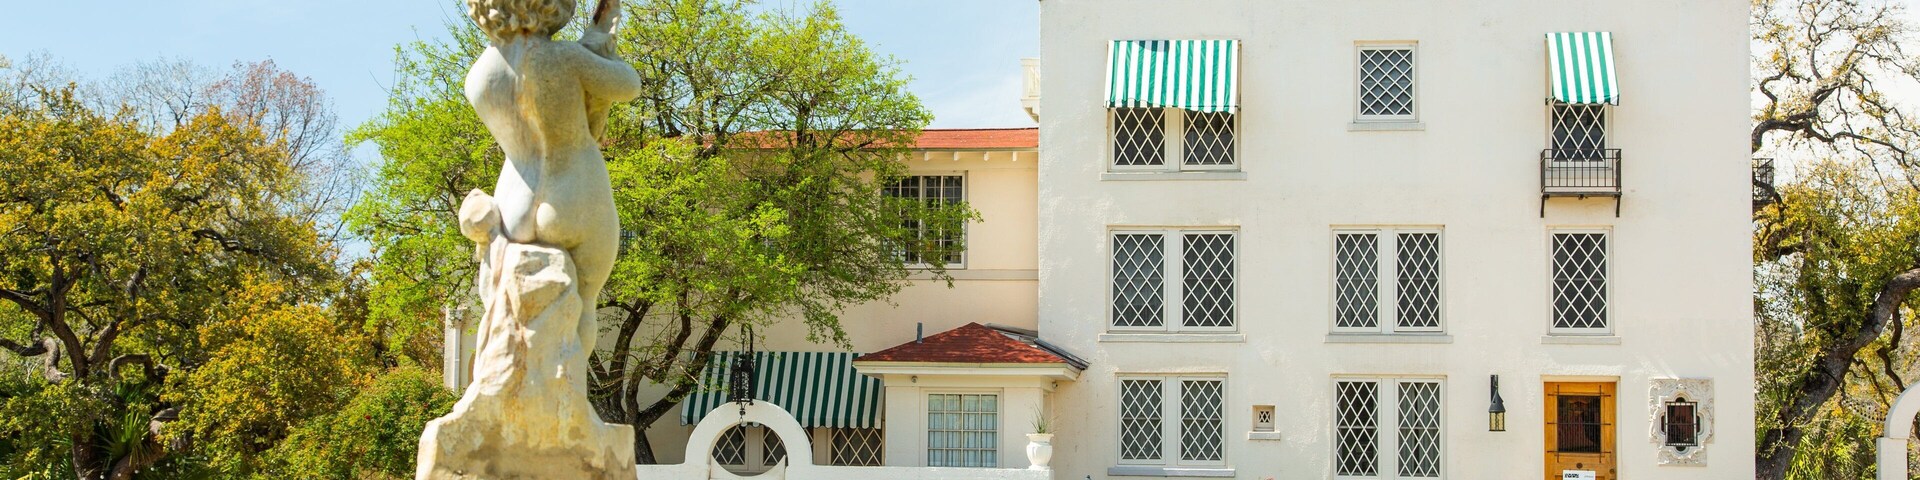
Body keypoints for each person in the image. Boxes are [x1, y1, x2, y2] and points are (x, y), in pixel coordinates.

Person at [457, 0, 641, 355]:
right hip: (574, 188)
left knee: (512, 316)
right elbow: (627, 86)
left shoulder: (479, 76)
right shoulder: (565, 57)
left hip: (514, 197)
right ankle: (568, 397)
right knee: (584, 301)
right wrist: (602, 44)